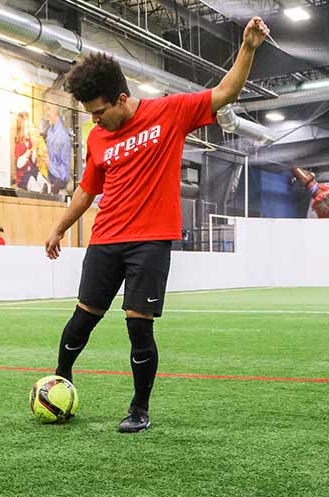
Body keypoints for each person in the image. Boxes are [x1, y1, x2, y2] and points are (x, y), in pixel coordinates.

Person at [44, 17, 269, 433]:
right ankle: (60, 381)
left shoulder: (170, 112)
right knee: (81, 320)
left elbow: (226, 92)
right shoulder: (97, 141)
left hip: (150, 242)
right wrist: (59, 227)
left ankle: (139, 409)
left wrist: (249, 48)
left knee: (137, 327)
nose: (94, 122)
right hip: (106, 241)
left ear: (122, 98)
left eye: (98, 112)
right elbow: (87, 190)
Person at [42, 104, 72, 195]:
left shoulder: (63, 135)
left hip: (58, 182)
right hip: (49, 176)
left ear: (55, 111)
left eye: (49, 110)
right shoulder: (50, 130)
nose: (47, 113)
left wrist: (49, 164)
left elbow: (64, 173)